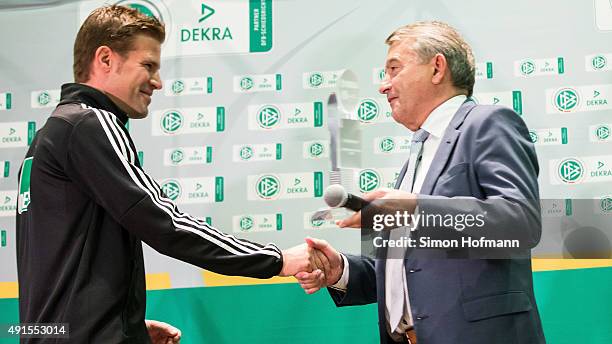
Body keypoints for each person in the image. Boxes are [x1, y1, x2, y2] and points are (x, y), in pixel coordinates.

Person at [16, 6, 311, 343]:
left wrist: (125, 325)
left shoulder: (52, 132)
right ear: (105, 59)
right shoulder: (90, 123)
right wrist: (276, 260)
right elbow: (164, 223)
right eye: (148, 66)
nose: (158, 82)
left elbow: (60, 269)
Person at [297, 21, 546, 344]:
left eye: (394, 69)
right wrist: (342, 270)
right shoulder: (419, 151)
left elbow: (520, 222)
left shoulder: (487, 123)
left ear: (437, 68)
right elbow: (412, 268)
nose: (383, 86)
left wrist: (414, 209)